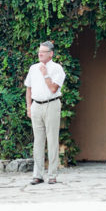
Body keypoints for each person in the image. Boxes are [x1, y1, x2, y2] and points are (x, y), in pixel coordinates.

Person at [25, 40, 65, 185]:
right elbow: (28, 88)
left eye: (43, 52)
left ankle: (52, 175)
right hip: (36, 105)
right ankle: (38, 175)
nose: (40, 54)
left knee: (52, 140)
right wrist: (29, 107)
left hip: (51, 104)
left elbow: (53, 89)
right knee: (38, 141)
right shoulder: (33, 68)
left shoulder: (57, 68)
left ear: (51, 54)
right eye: (39, 51)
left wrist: (46, 74)